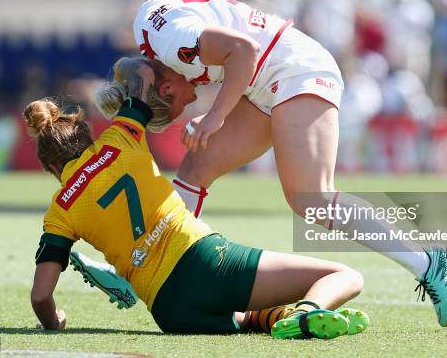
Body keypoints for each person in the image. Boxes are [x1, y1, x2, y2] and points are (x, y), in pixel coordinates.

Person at [93, 0, 447, 327]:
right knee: (195, 169)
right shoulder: (148, 18)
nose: (191, 101)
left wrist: (216, 115)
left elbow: (244, 50)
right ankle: (137, 270)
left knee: (312, 198)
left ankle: (426, 260)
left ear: (166, 89)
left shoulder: (177, 47)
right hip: (262, 80)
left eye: (181, 106)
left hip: (297, 69)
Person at [26, 86, 369, 339]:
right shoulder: (119, 139)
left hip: (169, 310)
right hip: (204, 261)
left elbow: (41, 294)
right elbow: (143, 78)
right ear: (88, 136)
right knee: (344, 276)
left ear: (50, 167)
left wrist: (54, 320)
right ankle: (308, 314)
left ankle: (285, 317)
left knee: (246, 318)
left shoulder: (60, 211)